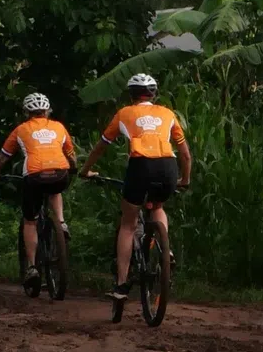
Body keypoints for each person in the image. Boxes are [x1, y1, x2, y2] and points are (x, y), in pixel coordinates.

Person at [79, 73, 193, 302]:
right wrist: (185, 180)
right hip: (168, 167)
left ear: (131, 95)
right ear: (154, 93)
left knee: (128, 225)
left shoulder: (124, 113)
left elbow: (100, 147)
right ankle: (165, 248)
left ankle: (121, 285)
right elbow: (185, 154)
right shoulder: (168, 114)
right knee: (158, 205)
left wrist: (85, 170)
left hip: (141, 167)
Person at [0, 93, 77, 287]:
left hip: (34, 176)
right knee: (56, 190)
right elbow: (71, 154)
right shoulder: (58, 127)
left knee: (30, 221)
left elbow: (3, 157)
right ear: (47, 111)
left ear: (27, 112)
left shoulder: (21, 130)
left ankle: (31, 267)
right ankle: (61, 222)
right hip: (60, 173)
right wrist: (74, 168)